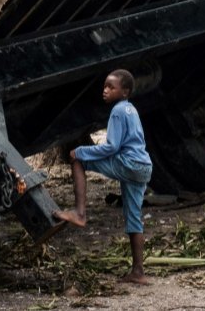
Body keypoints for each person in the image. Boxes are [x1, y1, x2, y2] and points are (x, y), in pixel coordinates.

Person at [54, 70, 154, 285]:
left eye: (111, 87)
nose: (105, 90)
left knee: (78, 161)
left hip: (129, 164)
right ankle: (138, 272)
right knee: (134, 217)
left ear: (124, 91)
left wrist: (80, 151)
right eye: (105, 86)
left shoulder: (118, 111)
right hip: (144, 166)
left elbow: (112, 146)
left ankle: (80, 213)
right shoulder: (131, 109)